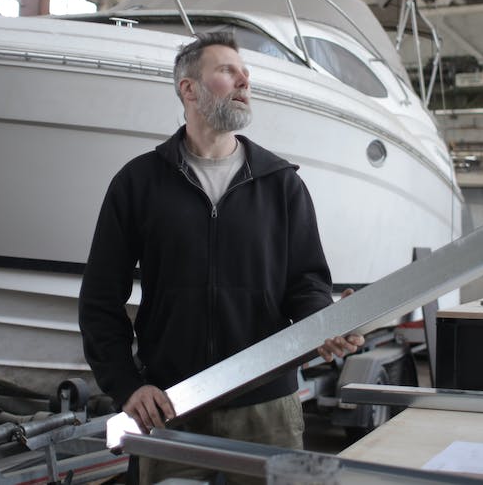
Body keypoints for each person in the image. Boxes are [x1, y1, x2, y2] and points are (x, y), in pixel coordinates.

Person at [78, 31, 364, 483]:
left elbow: (305, 282)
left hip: (267, 408)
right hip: (172, 407)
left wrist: (322, 324)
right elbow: (99, 298)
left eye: (245, 73)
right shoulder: (138, 183)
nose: (244, 81)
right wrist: (127, 386)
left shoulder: (281, 184)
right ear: (187, 88)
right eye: (228, 71)